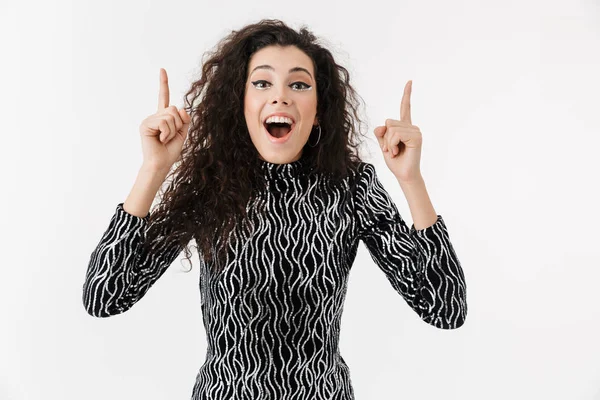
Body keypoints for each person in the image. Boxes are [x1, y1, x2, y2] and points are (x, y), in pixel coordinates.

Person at [82, 19, 467, 400]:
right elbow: (105, 296)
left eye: (298, 84)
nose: (280, 96)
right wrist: (154, 169)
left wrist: (410, 180)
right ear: (241, 103)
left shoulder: (350, 187)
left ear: (318, 110)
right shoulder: (210, 184)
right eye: (262, 82)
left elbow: (446, 308)